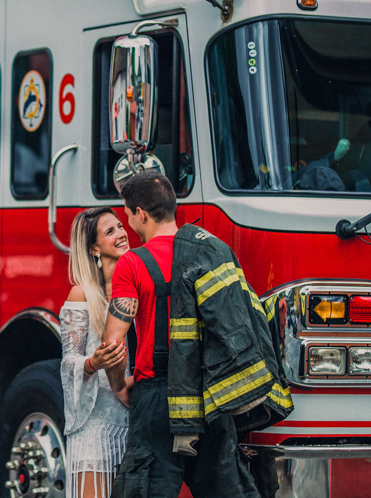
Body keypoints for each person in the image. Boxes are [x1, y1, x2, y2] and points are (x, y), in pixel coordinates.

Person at [101, 171, 260, 498]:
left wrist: (119, 386)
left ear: (141, 214)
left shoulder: (132, 263)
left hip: (157, 396)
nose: (128, 224)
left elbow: (114, 343)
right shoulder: (215, 252)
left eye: (128, 215)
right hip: (212, 394)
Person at [59, 207, 131, 498]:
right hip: (96, 426)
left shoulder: (139, 287)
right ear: (94, 249)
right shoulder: (82, 294)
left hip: (134, 418)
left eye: (120, 226)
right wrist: (92, 363)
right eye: (110, 231)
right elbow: (68, 361)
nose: (122, 234)